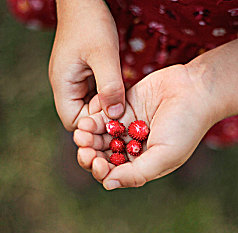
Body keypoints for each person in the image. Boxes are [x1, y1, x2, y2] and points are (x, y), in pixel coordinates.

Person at [8, 0, 238, 190]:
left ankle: (199, 131)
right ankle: (87, 123)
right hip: (117, 15)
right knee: (97, 85)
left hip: (222, 58)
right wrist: (78, 7)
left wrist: (207, 90)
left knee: (193, 116)